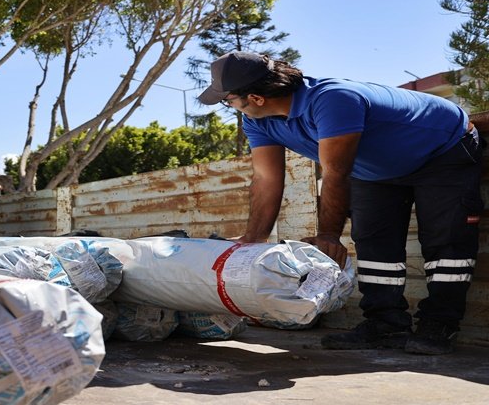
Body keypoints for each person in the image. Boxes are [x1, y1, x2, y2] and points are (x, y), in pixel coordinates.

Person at [198, 51, 483, 355]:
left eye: (228, 99)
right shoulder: (257, 121)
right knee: (374, 243)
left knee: (446, 240)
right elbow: (267, 179)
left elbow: (335, 173)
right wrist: (253, 239)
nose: (228, 106)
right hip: (374, 168)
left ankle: (439, 324)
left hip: (442, 149)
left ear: (255, 98)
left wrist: (328, 235)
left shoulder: (333, 99)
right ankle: (386, 323)